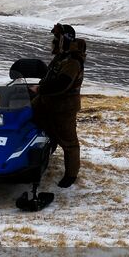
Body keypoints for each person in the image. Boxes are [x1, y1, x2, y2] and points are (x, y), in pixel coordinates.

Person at [31, 23, 86, 188]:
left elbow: (62, 84)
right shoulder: (61, 57)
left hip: (64, 108)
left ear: (65, 40)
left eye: (57, 38)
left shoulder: (73, 61)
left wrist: (40, 88)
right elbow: (50, 77)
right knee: (27, 122)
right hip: (46, 103)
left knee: (69, 143)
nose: (53, 41)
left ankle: (70, 176)